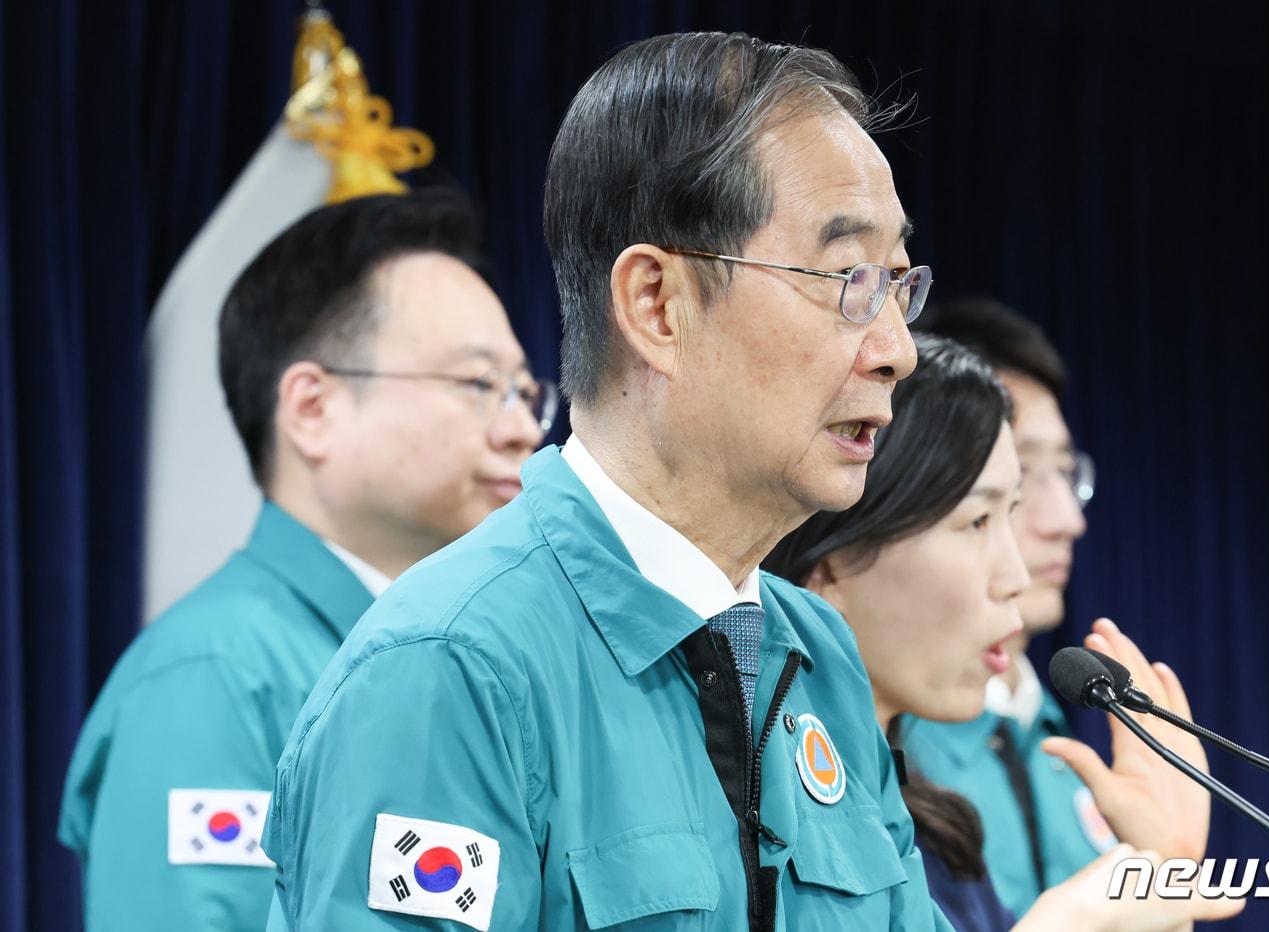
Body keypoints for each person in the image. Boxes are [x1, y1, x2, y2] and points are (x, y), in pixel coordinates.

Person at [262, 31, 948, 931]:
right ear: (658, 306)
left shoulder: (816, 652)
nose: (896, 348)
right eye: (847, 278)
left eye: (898, 282)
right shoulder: (453, 669)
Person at [58, 189, 552, 931]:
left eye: (524, 391)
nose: (522, 430)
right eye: (479, 385)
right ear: (313, 409)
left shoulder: (475, 660)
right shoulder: (215, 679)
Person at [766, 335, 1239, 929]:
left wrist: (1161, 872)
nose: (1014, 574)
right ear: (833, 550)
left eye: (1009, 514)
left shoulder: (939, 834)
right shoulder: (754, 795)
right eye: (978, 520)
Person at [900, 297, 1102, 915]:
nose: (1067, 520)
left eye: (1066, 472)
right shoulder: (883, 754)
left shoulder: (1054, 727)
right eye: (1015, 484)